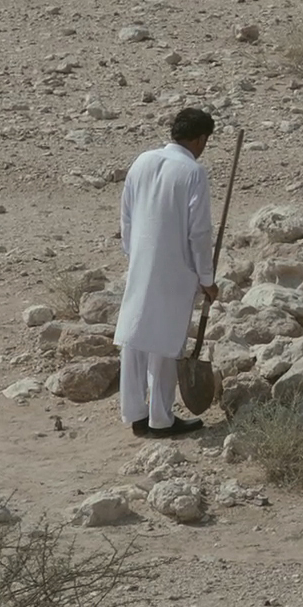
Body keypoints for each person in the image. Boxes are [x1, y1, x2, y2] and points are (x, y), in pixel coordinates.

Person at [114, 108, 218, 436]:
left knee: (135, 335)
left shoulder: (142, 161)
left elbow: (126, 215)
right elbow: (199, 233)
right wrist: (207, 279)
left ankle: (135, 413)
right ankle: (161, 419)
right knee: (165, 342)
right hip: (176, 269)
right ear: (200, 139)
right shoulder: (193, 172)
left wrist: (134, 253)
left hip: (141, 261)